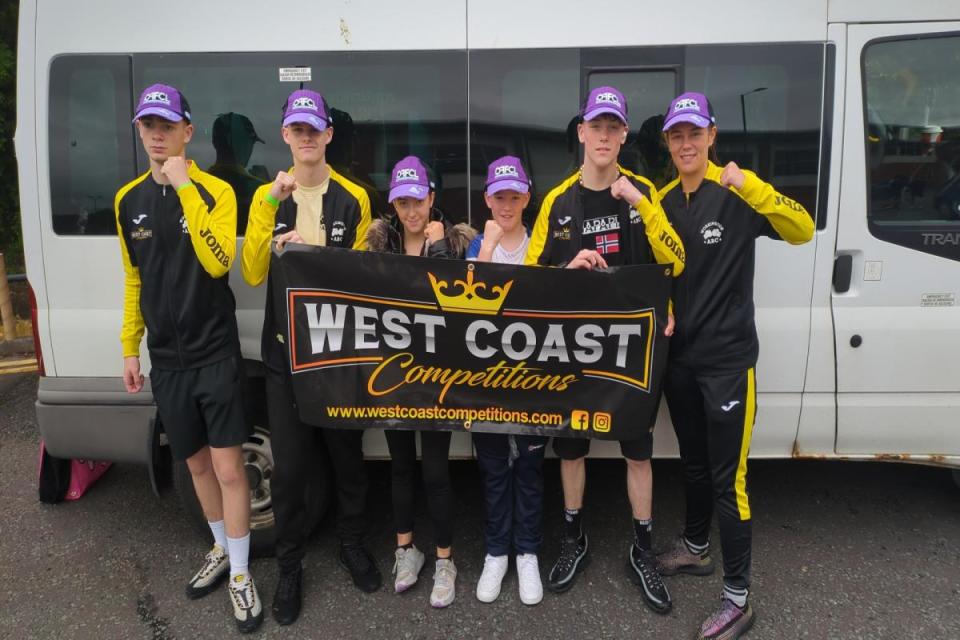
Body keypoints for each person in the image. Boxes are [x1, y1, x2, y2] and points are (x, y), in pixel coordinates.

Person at [655, 91, 814, 640]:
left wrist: (752, 185)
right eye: (676, 136)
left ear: (712, 136)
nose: (686, 143)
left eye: (694, 133)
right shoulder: (665, 200)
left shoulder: (738, 196)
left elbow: (803, 229)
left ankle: (738, 599)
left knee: (730, 481)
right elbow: (664, 271)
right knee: (693, 463)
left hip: (728, 363)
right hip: (682, 361)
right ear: (668, 144)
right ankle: (698, 549)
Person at [524, 86, 686, 613]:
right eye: (597, 126)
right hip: (573, 355)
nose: (605, 136)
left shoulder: (643, 192)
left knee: (638, 451)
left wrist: (665, 299)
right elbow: (528, 280)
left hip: (631, 354)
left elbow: (674, 261)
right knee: (572, 449)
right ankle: (575, 539)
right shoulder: (557, 201)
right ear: (581, 132)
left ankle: (642, 549)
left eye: (614, 127)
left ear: (622, 136)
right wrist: (565, 271)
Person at [115, 84, 262, 633]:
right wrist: (130, 345)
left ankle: (244, 575)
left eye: (167, 124)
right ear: (140, 130)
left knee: (228, 466)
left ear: (187, 131)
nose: (156, 134)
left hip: (214, 352)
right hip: (167, 359)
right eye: (148, 125)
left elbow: (218, 262)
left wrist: (185, 190)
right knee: (195, 464)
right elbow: (134, 278)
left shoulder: (215, 190)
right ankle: (222, 549)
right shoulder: (128, 199)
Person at [240, 88, 376, 626]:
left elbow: (365, 281)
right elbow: (251, 272)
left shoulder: (354, 198)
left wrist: (315, 259)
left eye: (313, 130)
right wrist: (271, 214)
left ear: (328, 136)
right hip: (284, 357)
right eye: (297, 130)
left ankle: (352, 544)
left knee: (348, 461)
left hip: (338, 356)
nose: (306, 138)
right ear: (286, 137)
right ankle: (290, 567)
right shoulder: (266, 197)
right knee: (291, 471)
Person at [366, 155, 475, 608]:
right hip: (393, 375)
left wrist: (440, 252)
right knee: (401, 467)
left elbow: (459, 307)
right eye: (403, 202)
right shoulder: (379, 244)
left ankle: (445, 560)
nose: (412, 211)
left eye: (419, 200)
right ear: (394, 203)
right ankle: (405, 550)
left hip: (437, 378)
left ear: (432, 199)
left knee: (435, 470)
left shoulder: (454, 241)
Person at [466, 156, 547, 606]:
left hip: (534, 383)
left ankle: (528, 552)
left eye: (515, 196)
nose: (507, 204)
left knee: (531, 470)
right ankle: (497, 552)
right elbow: (469, 307)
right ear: (487, 199)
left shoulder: (541, 246)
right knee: (494, 470)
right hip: (485, 384)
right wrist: (490, 247)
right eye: (500, 196)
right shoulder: (476, 245)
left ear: (527, 198)